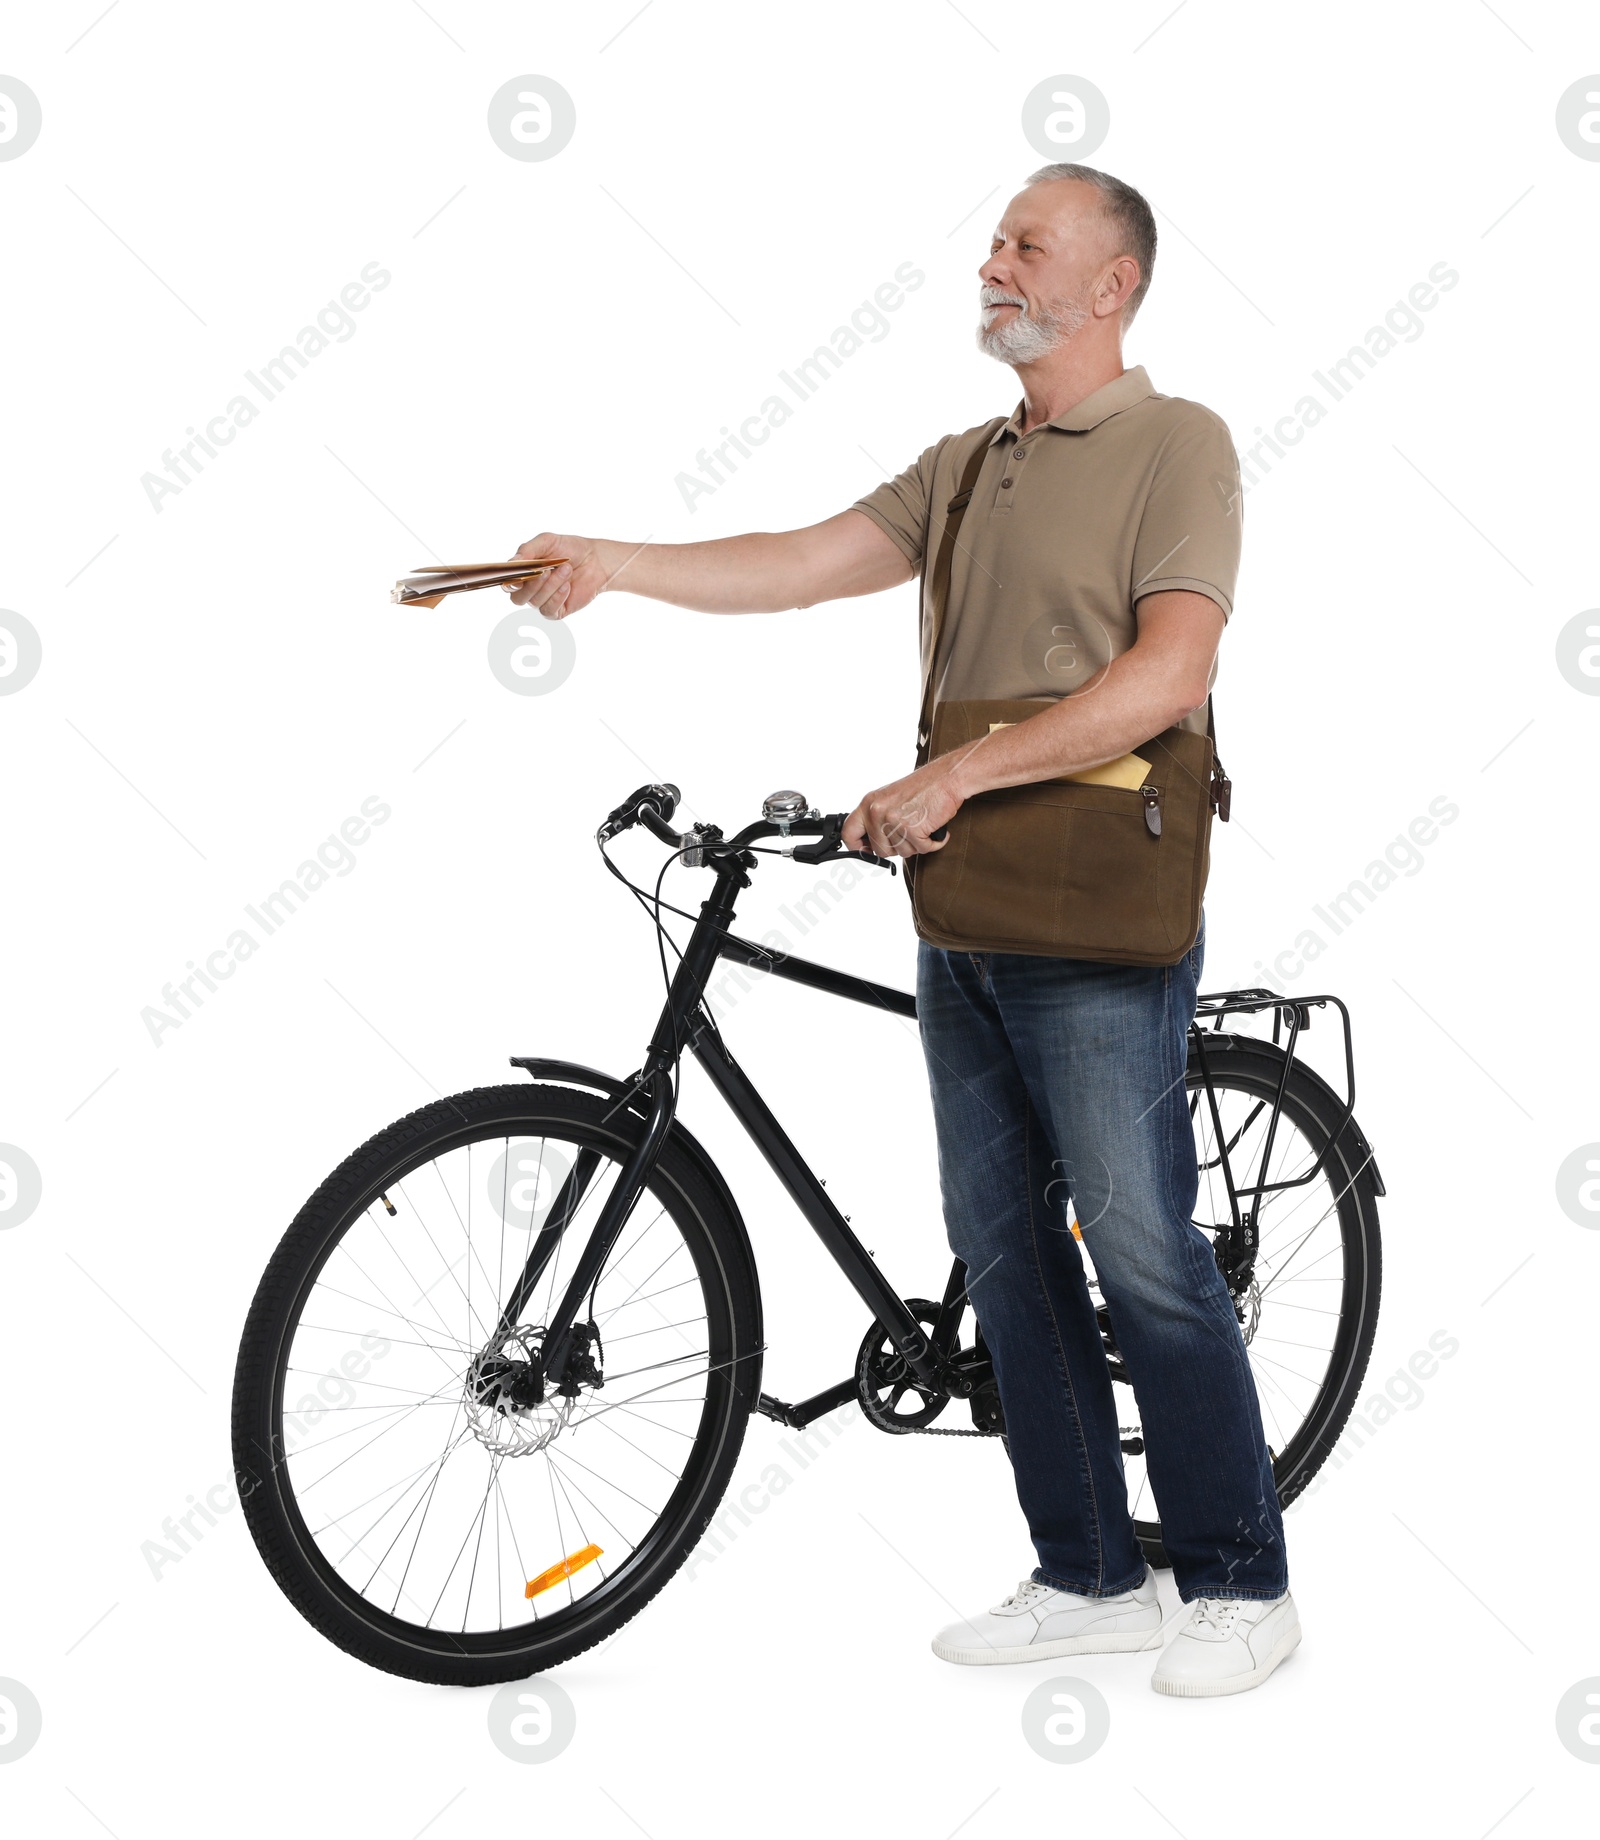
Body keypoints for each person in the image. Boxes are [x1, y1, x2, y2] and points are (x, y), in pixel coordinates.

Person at [502, 163, 1297, 1698]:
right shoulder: (968, 463)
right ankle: (1088, 1571)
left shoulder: (1173, 443)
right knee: (1002, 1248)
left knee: (1141, 1252)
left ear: (1112, 285)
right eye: (996, 240)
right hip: (967, 904)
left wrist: (956, 773)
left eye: (1027, 246)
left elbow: (1170, 677)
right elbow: (800, 565)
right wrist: (616, 565)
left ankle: (1243, 1578)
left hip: (1094, 906)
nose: (991, 262)